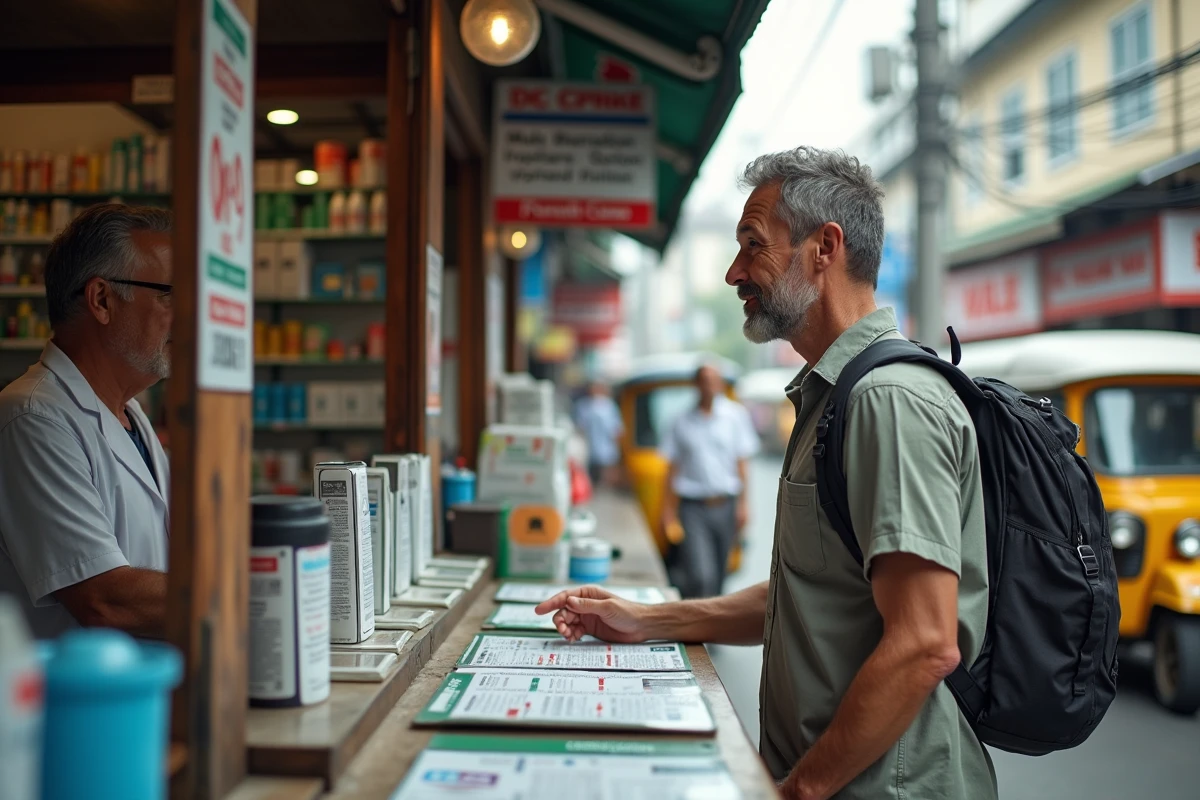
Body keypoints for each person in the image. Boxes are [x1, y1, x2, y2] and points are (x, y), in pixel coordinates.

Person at [536, 147, 995, 800]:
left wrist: (798, 791)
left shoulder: (888, 401)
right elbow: (808, 600)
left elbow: (925, 642)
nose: (733, 272)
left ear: (824, 248)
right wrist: (648, 620)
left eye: (753, 245)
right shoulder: (832, 395)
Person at [0, 204, 173, 640]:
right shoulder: (32, 417)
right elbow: (105, 599)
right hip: (70, 702)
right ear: (101, 300)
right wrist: (248, 591)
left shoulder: (131, 416)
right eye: (171, 294)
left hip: (139, 689)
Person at [659, 363, 760, 599]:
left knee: (719, 574)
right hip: (693, 507)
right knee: (700, 574)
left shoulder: (735, 416)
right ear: (696, 385)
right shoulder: (681, 421)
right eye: (704, 380)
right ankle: (699, 621)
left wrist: (744, 505)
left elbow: (742, 464)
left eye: (713, 379)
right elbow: (672, 469)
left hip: (725, 504)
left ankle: (710, 628)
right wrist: (667, 511)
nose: (709, 385)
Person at [573, 380, 624, 487]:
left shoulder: (609, 406)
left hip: (606, 451)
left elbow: (616, 430)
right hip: (589, 451)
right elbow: (580, 428)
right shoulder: (583, 406)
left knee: (605, 479)